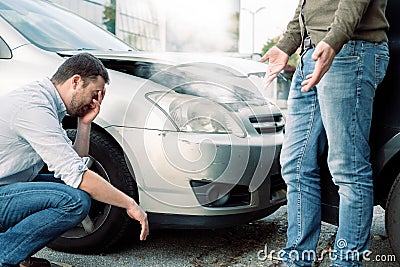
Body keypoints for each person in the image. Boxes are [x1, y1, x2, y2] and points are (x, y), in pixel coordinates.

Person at [261, 0, 389, 266]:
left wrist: (334, 40)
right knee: (295, 163)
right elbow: (306, 7)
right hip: (312, 55)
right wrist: (287, 46)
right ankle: (297, 258)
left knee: (348, 167)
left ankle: (346, 261)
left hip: (348, 49)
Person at [0, 53, 149, 267]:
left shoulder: (45, 101)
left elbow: (75, 163)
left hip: (7, 186)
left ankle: (18, 255)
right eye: (94, 93)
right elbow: (77, 176)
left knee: (76, 190)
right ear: (76, 81)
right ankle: (5, 253)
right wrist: (130, 204)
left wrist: (85, 124)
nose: (94, 101)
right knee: (74, 201)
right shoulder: (34, 108)